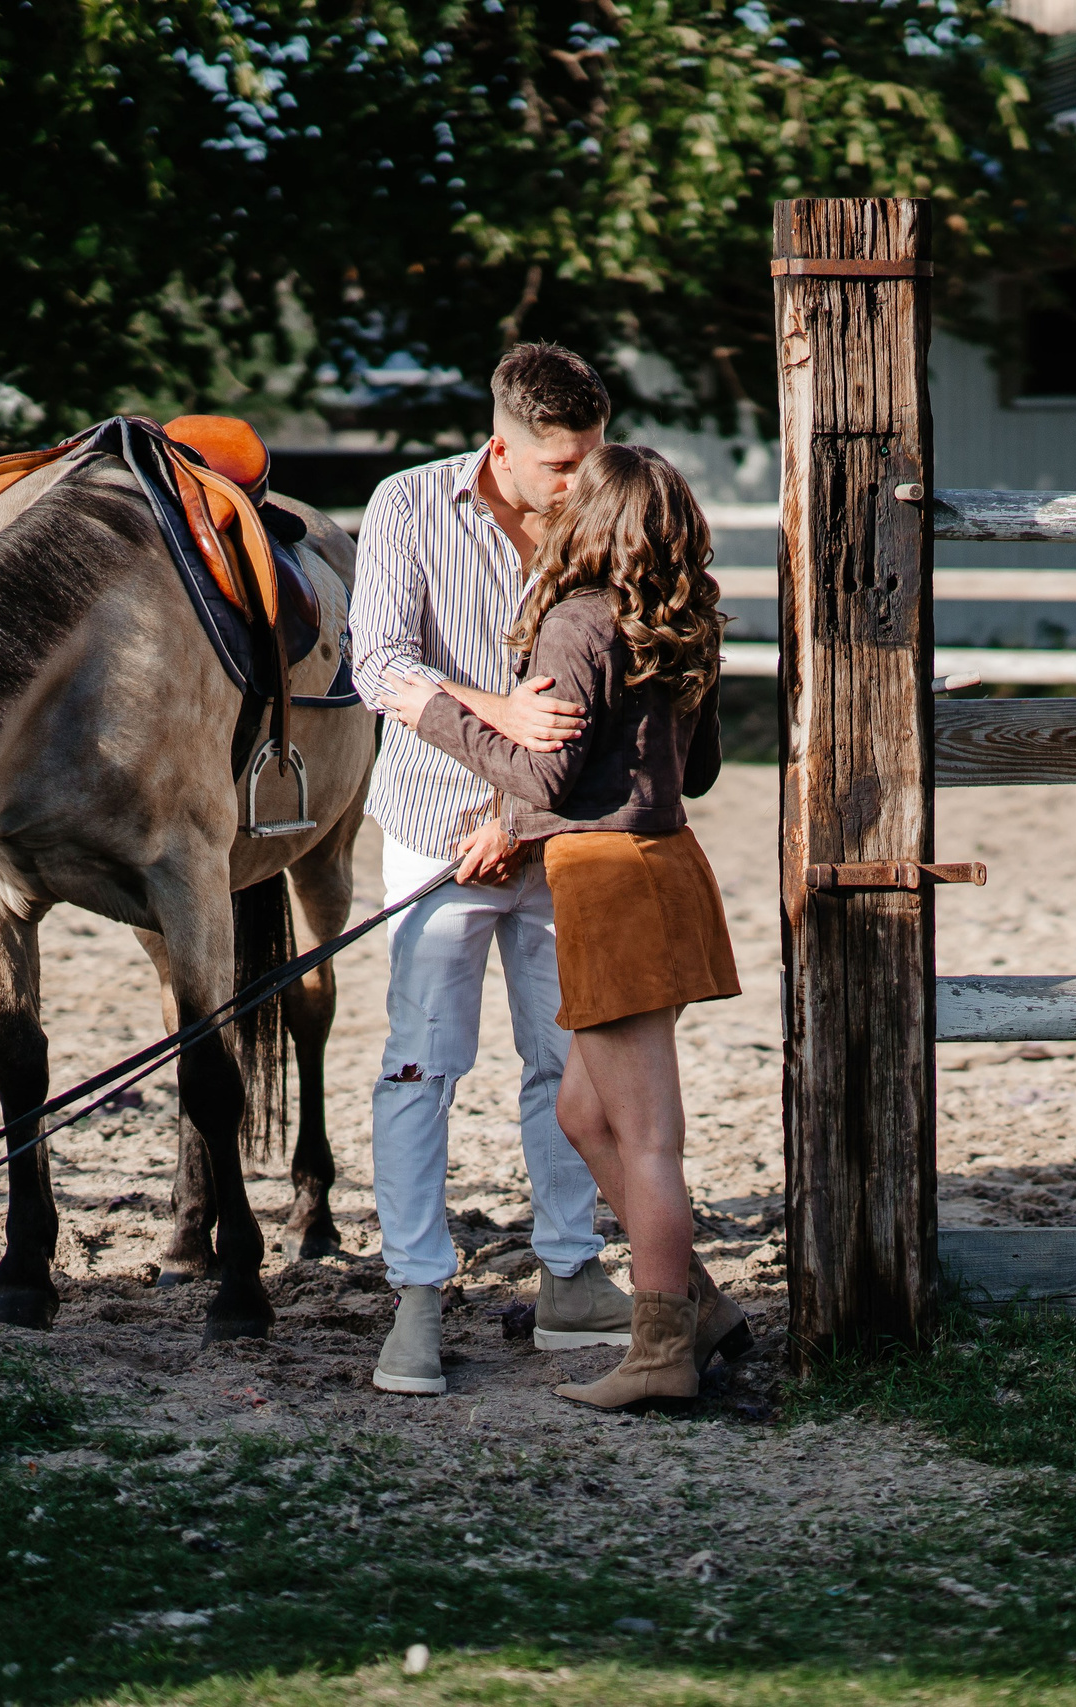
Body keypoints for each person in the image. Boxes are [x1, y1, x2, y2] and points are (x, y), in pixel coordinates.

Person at [385, 442, 749, 1411]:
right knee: (581, 1114)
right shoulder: (686, 622)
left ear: (587, 519)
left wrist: (432, 711)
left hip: (609, 887)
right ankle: (700, 1306)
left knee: (646, 1140)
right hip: (667, 870)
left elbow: (543, 776)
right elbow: (698, 770)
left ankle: (661, 1350)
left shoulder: (575, 621)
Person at [347, 343, 635, 1397]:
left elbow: (621, 674)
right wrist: (499, 711)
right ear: (500, 449)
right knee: (421, 1063)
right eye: (560, 463)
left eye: (592, 454)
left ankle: (570, 1274)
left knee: (567, 1060)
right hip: (434, 827)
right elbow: (378, 665)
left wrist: (520, 812)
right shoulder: (408, 505)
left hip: (561, 832)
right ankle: (417, 1295)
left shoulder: (608, 506)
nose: (580, 478)